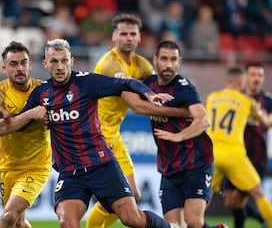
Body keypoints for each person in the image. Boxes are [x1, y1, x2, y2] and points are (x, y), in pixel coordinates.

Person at [0, 38, 180, 228]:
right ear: (46, 64)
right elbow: (23, 121)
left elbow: (125, 84)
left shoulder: (87, 83)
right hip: (71, 173)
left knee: (132, 219)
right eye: (54, 61)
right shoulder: (41, 93)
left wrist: (149, 94)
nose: (60, 66)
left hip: (102, 166)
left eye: (64, 60)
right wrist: (8, 116)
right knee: (66, 221)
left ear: (71, 61)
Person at [86, 13, 189, 228]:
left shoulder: (141, 65)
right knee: (120, 199)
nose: (128, 38)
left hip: (112, 135)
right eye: (123, 33)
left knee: (133, 194)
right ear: (114, 36)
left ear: (139, 37)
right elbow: (138, 105)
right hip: (96, 136)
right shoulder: (109, 65)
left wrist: (186, 96)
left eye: (133, 34)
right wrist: (182, 112)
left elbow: (158, 88)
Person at [142, 40, 225, 228]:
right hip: (169, 166)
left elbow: (204, 120)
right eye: (164, 59)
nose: (168, 64)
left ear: (179, 62)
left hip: (196, 163)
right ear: (155, 60)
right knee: (173, 226)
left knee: (193, 221)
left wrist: (180, 136)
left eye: (173, 59)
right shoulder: (149, 84)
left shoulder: (184, 87)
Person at [0, 41, 52, 228]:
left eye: (23, 62)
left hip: (36, 167)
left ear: (30, 65)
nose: (19, 68)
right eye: (13, 64)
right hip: (8, 167)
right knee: (18, 223)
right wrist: (31, 114)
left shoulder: (43, 90)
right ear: (4, 67)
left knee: (8, 217)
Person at [205, 66, 272, 228]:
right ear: (242, 81)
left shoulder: (212, 97)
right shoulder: (247, 101)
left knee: (204, 195)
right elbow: (264, 121)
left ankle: (192, 224)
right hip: (235, 154)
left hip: (212, 154)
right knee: (257, 194)